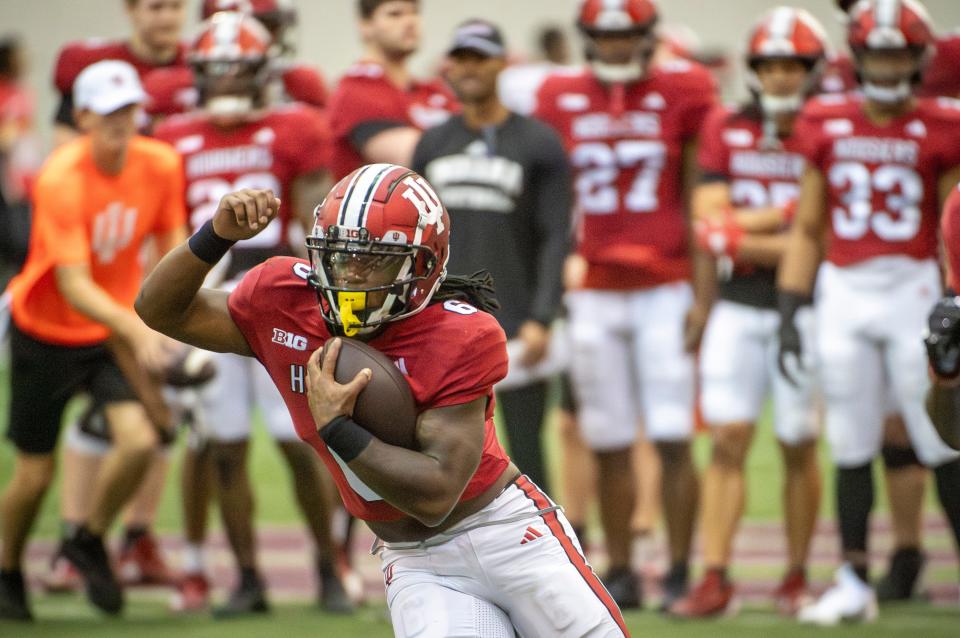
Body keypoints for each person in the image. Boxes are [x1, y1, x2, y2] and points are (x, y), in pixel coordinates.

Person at [135, 163, 631, 637]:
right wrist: (214, 236)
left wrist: (338, 429)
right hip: (418, 562)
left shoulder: (461, 333)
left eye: (373, 260)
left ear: (425, 264)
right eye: (339, 255)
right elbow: (157, 309)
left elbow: (437, 495)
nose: (349, 276)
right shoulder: (285, 300)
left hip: (504, 534)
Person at [150, 11, 346, 616]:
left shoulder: (295, 126)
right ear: (197, 75)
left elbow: (319, 225)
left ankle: (327, 567)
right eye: (216, 71)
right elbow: (161, 234)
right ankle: (247, 577)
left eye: (240, 71)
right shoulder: (169, 138)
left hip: (279, 295)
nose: (229, 83)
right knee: (225, 446)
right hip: (206, 300)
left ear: (264, 72)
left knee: (299, 441)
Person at [776, 0, 960, 625]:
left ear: (918, 59)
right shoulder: (824, 119)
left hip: (913, 287)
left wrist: (954, 296)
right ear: (856, 57)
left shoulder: (943, 123)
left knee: (940, 436)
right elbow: (806, 226)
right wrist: (790, 305)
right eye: (877, 52)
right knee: (850, 438)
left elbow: (952, 226)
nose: (887, 64)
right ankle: (854, 579)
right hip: (845, 289)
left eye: (898, 53)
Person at [534, 0, 717, 609]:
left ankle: (684, 568)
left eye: (626, 36)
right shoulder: (560, 95)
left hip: (664, 285)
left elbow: (698, 196)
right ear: (588, 38)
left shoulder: (684, 88)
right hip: (593, 291)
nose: (615, 48)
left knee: (670, 435)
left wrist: (700, 289)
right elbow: (551, 195)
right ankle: (620, 569)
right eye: (605, 37)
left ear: (646, 36)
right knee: (607, 437)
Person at [0, 60, 187, 621]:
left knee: (141, 439)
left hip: (110, 330)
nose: (119, 123)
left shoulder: (161, 163)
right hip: (46, 331)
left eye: (128, 110)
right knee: (35, 474)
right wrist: (141, 328)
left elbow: (173, 248)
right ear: (81, 116)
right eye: (107, 112)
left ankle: (87, 539)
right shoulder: (60, 177)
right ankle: (7, 571)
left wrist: (178, 322)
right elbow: (74, 285)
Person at [668, 7, 828, 618]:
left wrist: (744, 229)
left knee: (796, 440)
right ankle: (715, 575)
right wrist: (792, 219)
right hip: (737, 303)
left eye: (793, 65)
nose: (782, 76)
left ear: (812, 70)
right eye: (772, 64)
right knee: (728, 437)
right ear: (756, 68)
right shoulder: (725, 125)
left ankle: (794, 574)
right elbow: (707, 223)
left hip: (805, 304)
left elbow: (831, 236)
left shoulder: (824, 126)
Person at [411, 19, 571, 496]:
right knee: (442, 449)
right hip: (440, 323)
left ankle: (545, 553)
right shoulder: (433, 143)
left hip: (517, 320)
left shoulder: (538, 142)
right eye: (460, 58)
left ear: (502, 62)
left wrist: (544, 316)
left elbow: (555, 236)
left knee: (526, 447)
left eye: (479, 57)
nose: (469, 68)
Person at [327, 0, 458, 179]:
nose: (410, 22)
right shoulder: (356, 90)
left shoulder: (432, 91)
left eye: (415, 13)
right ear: (365, 26)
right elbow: (416, 161)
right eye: (395, 14)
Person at [52, 0, 188, 146]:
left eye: (176, 6)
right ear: (130, 9)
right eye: (156, 7)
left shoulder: (199, 63)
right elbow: (65, 146)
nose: (167, 17)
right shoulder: (97, 65)